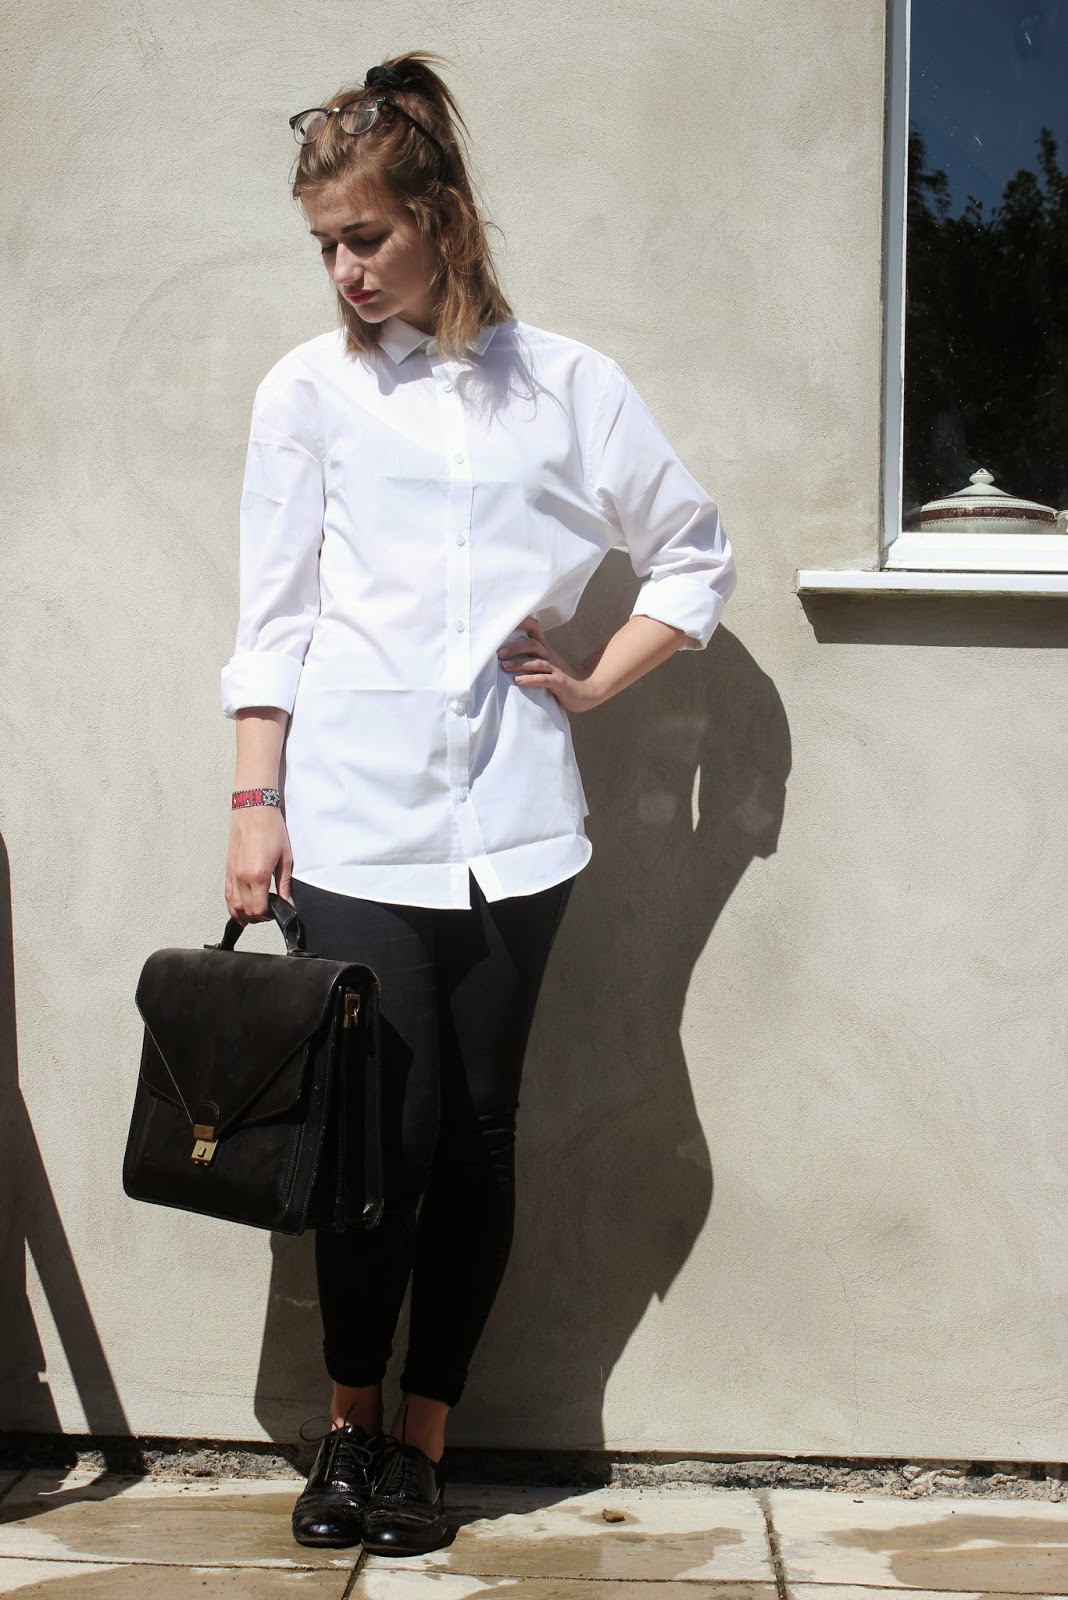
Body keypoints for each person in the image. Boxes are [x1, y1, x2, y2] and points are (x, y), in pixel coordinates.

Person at [221, 50, 737, 1559]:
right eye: (325, 244)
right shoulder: (308, 392)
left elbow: (694, 552)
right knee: (371, 1141)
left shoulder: (567, 387)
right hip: (356, 821)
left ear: (440, 217)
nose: (345, 270)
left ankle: (425, 1443)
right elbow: (273, 619)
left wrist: (592, 684)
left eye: (366, 236)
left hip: (517, 829)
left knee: (475, 1138)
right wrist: (254, 799)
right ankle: (346, 1425)